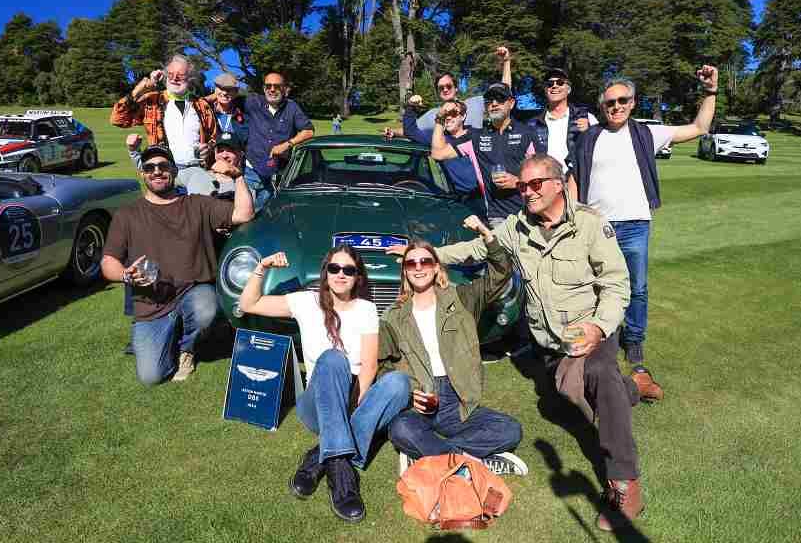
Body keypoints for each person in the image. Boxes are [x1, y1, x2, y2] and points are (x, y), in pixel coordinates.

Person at [408, 154, 661, 531]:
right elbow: (475, 251)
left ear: (558, 184)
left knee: (598, 376)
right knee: (568, 390)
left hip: (587, 325)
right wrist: (427, 259)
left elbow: (615, 284)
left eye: (535, 184)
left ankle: (625, 483)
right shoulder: (517, 227)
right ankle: (635, 387)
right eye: (522, 186)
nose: (526, 192)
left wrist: (598, 327)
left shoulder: (589, 225)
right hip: (548, 341)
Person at [237, 246, 411, 523]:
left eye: (349, 270)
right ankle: (341, 473)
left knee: (399, 383)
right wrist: (262, 267)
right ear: (326, 272)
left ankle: (319, 456)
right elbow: (248, 304)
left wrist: (360, 402)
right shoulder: (305, 301)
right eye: (334, 268)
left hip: (353, 395)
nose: (341, 274)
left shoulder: (366, 309)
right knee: (332, 359)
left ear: (357, 277)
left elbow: (369, 364)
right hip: (318, 401)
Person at [568, 66, 719, 370]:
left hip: (635, 224)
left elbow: (700, 127)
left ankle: (634, 338)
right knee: (595, 285)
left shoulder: (648, 133)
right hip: (596, 225)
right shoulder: (589, 138)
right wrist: (572, 217)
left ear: (633, 102)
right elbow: (574, 177)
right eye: (610, 102)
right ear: (602, 106)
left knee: (636, 286)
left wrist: (710, 92)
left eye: (623, 100)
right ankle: (605, 335)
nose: (617, 106)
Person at [380, 216, 527, 477]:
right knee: (400, 429)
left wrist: (486, 233)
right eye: (410, 263)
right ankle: (472, 462)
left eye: (425, 261)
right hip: (420, 401)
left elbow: (501, 273)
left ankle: (432, 457)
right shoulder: (394, 314)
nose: (418, 267)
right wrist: (409, 393)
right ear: (404, 271)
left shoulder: (462, 298)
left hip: (456, 399)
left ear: (437, 267)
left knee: (510, 429)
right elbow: (382, 365)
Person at [101, 146, 255, 385]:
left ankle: (188, 348)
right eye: (150, 168)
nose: (157, 172)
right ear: (142, 174)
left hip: (193, 292)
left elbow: (243, 214)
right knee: (151, 376)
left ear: (173, 170)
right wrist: (125, 275)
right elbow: (108, 261)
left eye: (163, 166)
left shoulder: (197, 204)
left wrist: (238, 176)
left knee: (206, 307)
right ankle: (167, 336)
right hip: (152, 303)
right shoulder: (127, 214)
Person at [430, 82, 543, 226]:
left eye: (500, 98)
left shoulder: (527, 133)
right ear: (485, 105)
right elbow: (437, 154)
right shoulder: (476, 137)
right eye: (489, 100)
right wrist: (440, 118)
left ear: (511, 103)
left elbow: (544, 175)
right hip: (497, 218)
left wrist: (517, 182)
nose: (494, 103)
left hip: (530, 213)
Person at [111, 54, 218, 195]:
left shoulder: (201, 105)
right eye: (171, 74)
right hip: (164, 170)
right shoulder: (152, 100)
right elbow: (118, 118)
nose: (174, 78)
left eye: (180, 75)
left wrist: (208, 148)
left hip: (196, 169)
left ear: (190, 78)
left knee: (202, 209)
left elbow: (214, 136)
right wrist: (145, 86)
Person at [242, 72, 315, 211]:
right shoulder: (253, 102)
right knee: (246, 216)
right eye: (268, 86)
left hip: (278, 176)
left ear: (284, 89)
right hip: (251, 173)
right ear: (264, 89)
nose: (272, 89)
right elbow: (226, 97)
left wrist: (287, 145)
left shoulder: (292, 107)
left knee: (270, 217)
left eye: (277, 86)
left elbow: (309, 131)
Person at [402, 97, 483, 204]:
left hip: (483, 193)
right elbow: (410, 131)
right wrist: (411, 107)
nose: (448, 117)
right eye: (444, 114)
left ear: (463, 116)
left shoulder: (477, 135)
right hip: (459, 197)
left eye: (453, 113)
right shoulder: (438, 138)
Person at [415, 46, 513, 133]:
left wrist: (506, 61)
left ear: (456, 88)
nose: (445, 90)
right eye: (441, 88)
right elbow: (410, 129)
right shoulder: (433, 115)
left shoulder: (475, 104)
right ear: (438, 92)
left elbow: (503, 92)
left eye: (449, 86)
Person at [526, 67, 599, 174]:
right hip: (546, 183)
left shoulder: (586, 117)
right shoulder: (533, 124)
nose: (554, 86)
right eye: (550, 84)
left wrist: (589, 133)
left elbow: (600, 149)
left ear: (568, 90)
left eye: (560, 83)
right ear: (545, 90)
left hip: (577, 181)